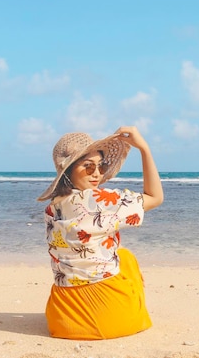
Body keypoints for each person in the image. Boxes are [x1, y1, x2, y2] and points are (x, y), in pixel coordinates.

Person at [37, 126, 163, 340]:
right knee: (126, 258)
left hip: (61, 317)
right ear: (68, 170)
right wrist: (144, 148)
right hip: (106, 317)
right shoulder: (97, 200)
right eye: (87, 166)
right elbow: (156, 197)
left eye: (100, 166)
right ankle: (126, 312)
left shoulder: (53, 206)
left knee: (116, 250)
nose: (96, 173)